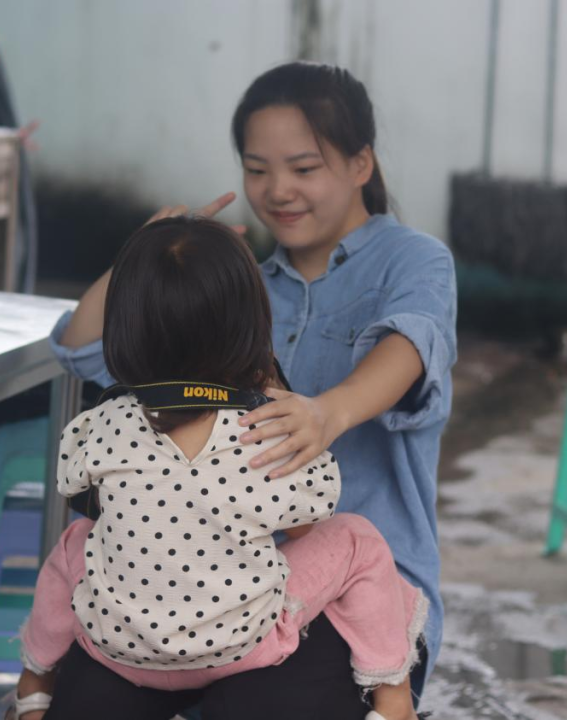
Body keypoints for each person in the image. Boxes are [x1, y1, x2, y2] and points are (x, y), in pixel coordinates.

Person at [51, 61, 458, 712]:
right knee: (81, 697)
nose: (278, 191)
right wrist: (143, 255)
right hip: (200, 588)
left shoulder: (414, 261)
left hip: (357, 594)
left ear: (361, 164)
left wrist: (327, 413)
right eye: (257, 169)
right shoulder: (239, 287)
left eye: (304, 168)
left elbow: (412, 344)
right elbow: (83, 351)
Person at [9, 216, 427, 720]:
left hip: (119, 650)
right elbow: (304, 525)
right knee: (357, 539)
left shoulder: (102, 425)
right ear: (250, 328)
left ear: (123, 328)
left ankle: (34, 684)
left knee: (74, 543)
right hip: (242, 646)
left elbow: (85, 498)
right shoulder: (268, 428)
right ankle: (393, 697)